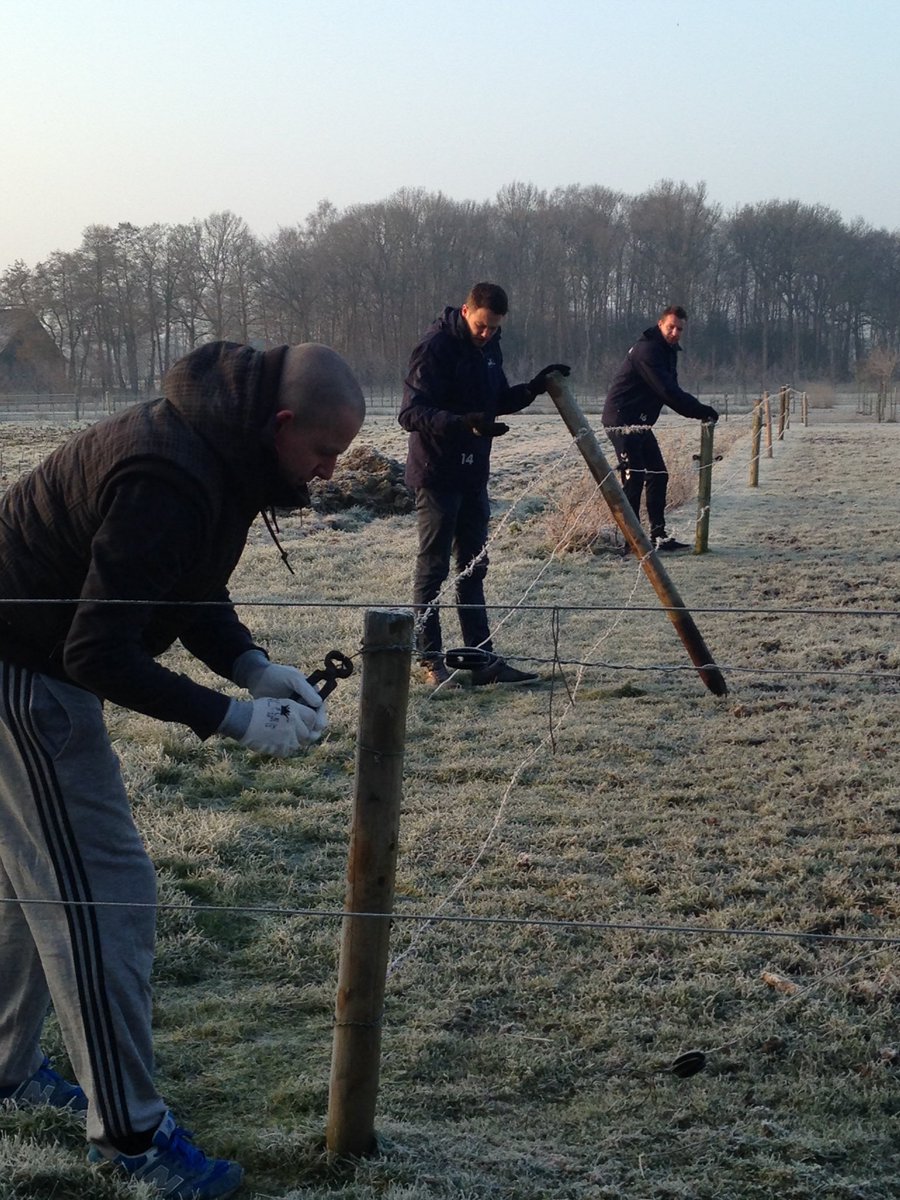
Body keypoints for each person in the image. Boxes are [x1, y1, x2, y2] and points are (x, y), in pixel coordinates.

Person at [0, 340, 365, 1198]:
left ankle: (7, 1069)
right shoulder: (168, 472)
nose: (324, 473)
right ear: (281, 425)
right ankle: (132, 1138)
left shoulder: (217, 447)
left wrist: (248, 663)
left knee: (31, 883)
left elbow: (188, 583)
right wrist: (232, 719)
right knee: (103, 893)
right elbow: (98, 650)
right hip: (22, 673)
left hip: (32, 661)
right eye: (321, 453)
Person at [399, 281, 569, 688]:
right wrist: (461, 424)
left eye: (495, 329)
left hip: (473, 473)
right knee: (434, 568)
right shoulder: (434, 347)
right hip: (437, 473)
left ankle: (481, 659)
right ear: (465, 311)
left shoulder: (490, 346)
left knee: (473, 568)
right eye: (481, 326)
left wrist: (533, 388)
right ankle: (430, 662)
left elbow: (496, 400)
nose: (487, 335)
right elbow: (411, 413)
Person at [602, 305, 718, 551]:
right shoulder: (648, 351)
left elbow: (670, 390)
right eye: (671, 327)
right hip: (622, 421)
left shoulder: (667, 351)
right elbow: (668, 392)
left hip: (641, 422)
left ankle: (658, 536)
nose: (675, 332)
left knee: (658, 475)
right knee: (634, 479)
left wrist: (697, 409)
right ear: (660, 324)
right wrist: (701, 410)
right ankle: (631, 542)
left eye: (679, 329)